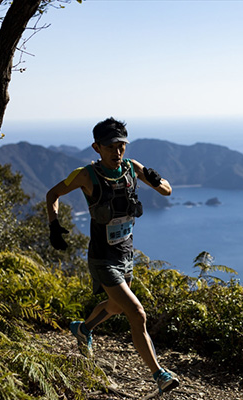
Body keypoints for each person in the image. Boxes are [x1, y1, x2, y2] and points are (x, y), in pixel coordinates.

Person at [46, 117, 179, 394]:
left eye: (121, 145)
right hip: (102, 257)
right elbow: (52, 194)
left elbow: (166, 190)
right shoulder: (86, 174)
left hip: (126, 254)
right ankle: (159, 374)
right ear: (96, 147)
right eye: (110, 147)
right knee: (137, 313)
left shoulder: (133, 168)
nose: (117, 152)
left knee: (116, 306)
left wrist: (155, 178)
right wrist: (54, 225)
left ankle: (83, 329)